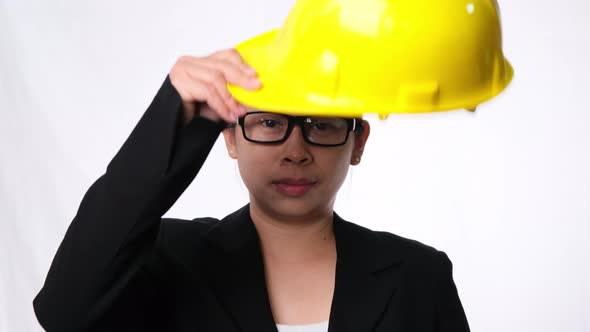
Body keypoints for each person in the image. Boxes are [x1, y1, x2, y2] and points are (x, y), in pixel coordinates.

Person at [33, 48, 471, 332]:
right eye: (269, 123)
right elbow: (64, 311)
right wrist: (175, 116)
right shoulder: (169, 259)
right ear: (228, 136)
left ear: (357, 143)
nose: (295, 151)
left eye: (321, 125)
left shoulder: (419, 276)